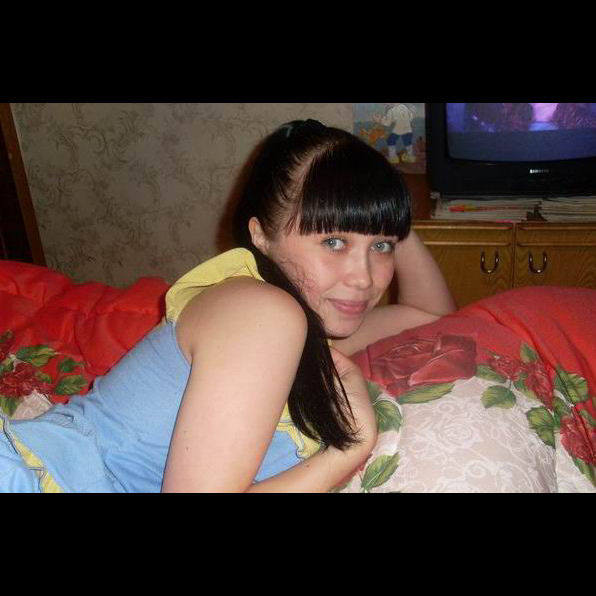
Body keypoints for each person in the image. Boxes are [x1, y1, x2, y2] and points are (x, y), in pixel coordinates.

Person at [0, 119, 456, 492]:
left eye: (382, 247)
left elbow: (431, 317)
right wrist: (349, 449)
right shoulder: (262, 313)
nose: (364, 277)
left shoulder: (307, 319)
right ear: (261, 236)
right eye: (333, 241)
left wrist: (380, 210)